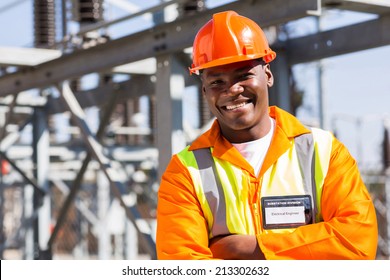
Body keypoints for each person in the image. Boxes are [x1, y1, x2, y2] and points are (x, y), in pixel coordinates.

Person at [156, 10, 378, 260]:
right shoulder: (184, 172)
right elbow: (181, 266)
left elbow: (357, 243)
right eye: (217, 81)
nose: (233, 90)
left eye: (244, 75)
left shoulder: (324, 152)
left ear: (268, 76)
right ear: (204, 90)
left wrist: (246, 248)